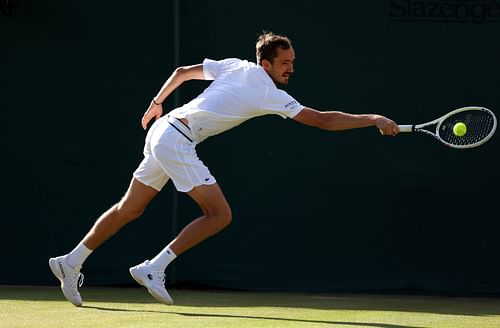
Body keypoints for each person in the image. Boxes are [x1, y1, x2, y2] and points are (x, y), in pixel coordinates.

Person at [49, 32, 400, 307]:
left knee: (131, 208)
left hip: (164, 128)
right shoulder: (268, 92)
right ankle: (154, 268)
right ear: (265, 63)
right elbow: (322, 121)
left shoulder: (236, 65)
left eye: (293, 61)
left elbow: (181, 73)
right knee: (219, 215)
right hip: (176, 139)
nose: (291, 68)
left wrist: (157, 104)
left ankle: (71, 261)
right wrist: (371, 119)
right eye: (284, 63)